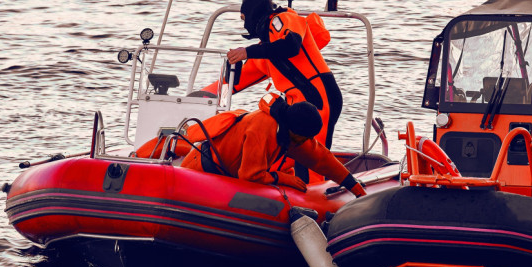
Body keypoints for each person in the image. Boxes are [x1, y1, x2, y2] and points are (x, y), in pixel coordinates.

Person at [141, 96, 365, 196]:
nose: (305, 143)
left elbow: (320, 158)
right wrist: (281, 178)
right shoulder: (262, 126)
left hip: (223, 176)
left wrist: (354, 186)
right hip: (201, 172)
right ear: (294, 131)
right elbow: (248, 174)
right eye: (304, 138)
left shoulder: (291, 132)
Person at [227, 0, 343, 155]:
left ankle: (317, 180)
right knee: (287, 150)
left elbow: (291, 46)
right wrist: (205, 96)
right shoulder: (265, 47)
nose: (245, 25)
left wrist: (248, 52)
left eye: (244, 18)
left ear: (253, 14)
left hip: (319, 96)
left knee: (309, 157)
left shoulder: (284, 19)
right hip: (298, 102)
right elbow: (234, 82)